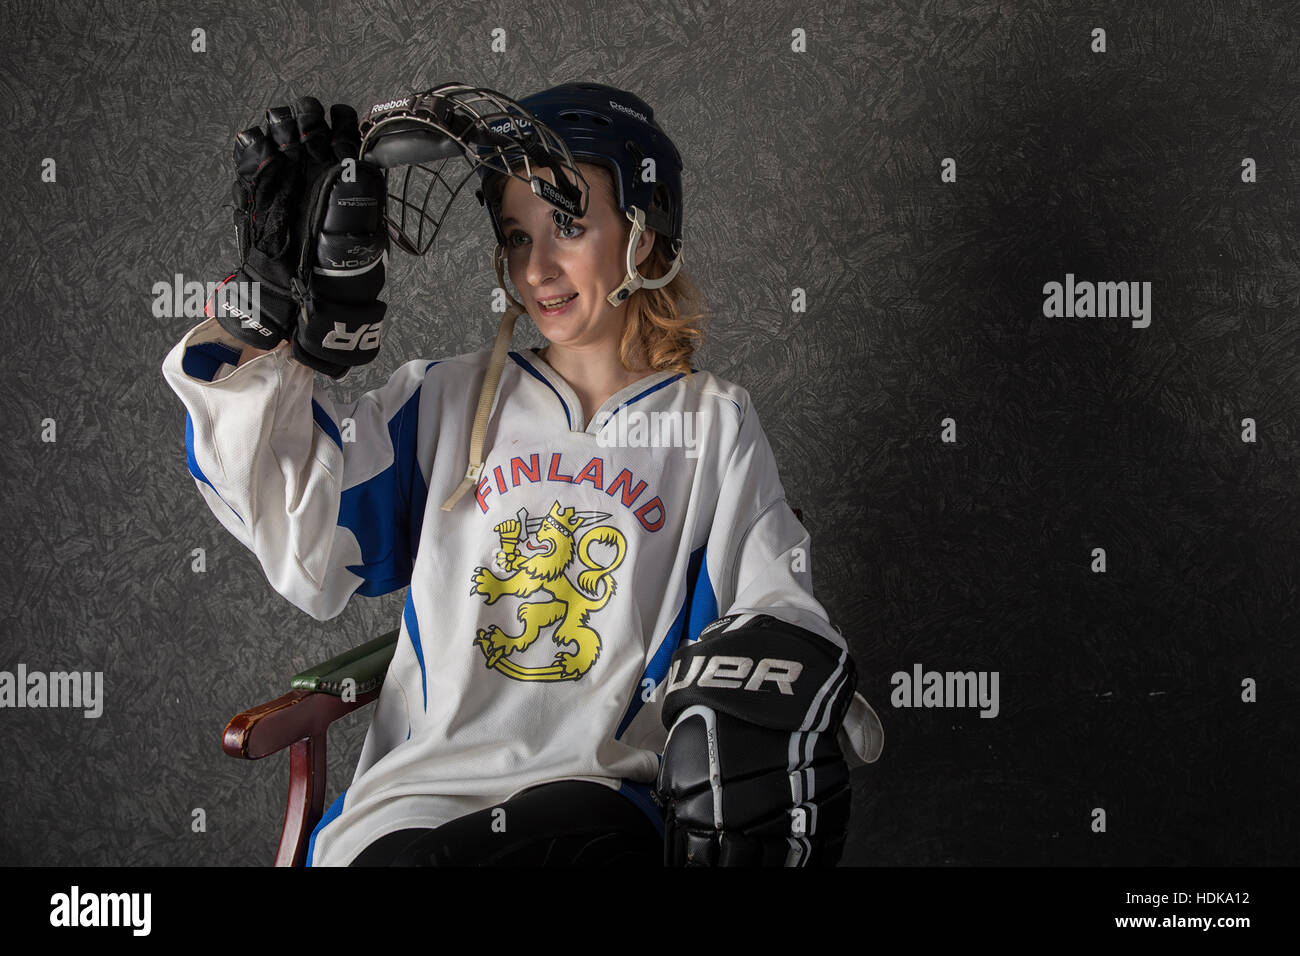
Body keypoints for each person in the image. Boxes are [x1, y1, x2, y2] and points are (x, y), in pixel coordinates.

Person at [161, 82, 882, 867]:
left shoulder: (711, 422)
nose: (536, 267)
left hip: (601, 789)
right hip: (421, 790)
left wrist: (781, 687)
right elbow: (304, 543)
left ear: (645, 232)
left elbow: (776, 604)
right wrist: (264, 324)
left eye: (567, 225)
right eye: (515, 236)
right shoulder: (444, 397)